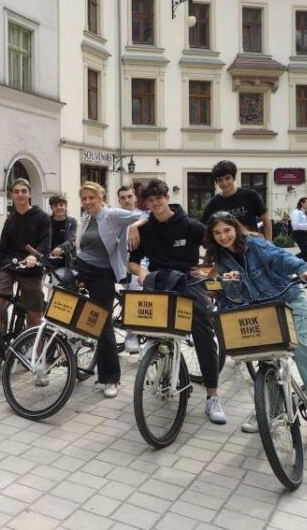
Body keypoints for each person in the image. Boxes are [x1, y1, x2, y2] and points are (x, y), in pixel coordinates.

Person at [205, 212, 307, 424]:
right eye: (217, 233)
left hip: (289, 301)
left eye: (227, 230)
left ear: (236, 229)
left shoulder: (254, 245)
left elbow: (280, 257)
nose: (223, 237)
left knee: (297, 344)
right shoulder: (222, 259)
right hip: (262, 311)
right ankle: (275, 413)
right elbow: (233, 297)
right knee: (267, 358)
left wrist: (304, 269)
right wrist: (223, 287)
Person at [128, 179, 226, 424]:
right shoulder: (145, 229)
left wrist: (206, 273)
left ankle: (212, 396)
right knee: (150, 329)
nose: (155, 203)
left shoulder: (191, 226)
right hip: (159, 282)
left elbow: (219, 249)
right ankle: (159, 365)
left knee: (203, 335)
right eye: (150, 201)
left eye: (159, 198)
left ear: (167, 197)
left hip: (188, 284)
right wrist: (141, 272)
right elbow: (132, 262)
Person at [76, 182, 146, 398]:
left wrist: (134, 226)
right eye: (84, 198)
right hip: (82, 268)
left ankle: (110, 378)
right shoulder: (87, 218)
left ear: (101, 197)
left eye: (91, 198)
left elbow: (146, 215)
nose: (87, 202)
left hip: (102, 274)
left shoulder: (112, 214)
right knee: (65, 309)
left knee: (103, 324)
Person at [0, 178, 51, 335]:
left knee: (35, 317)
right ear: (12, 195)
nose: (20, 195)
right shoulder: (10, 219)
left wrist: (34, 257)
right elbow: (3, 249)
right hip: (10, 267)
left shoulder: (42, 217)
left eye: (23, 191)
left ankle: (34, 348)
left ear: (29, 194)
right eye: (16, 192)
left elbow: (45, 244)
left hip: (31, 269)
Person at [201, 160, 272, 241]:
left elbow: (266, 220)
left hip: (252, 244)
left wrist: (269, 245)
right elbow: (203, 227)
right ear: (216, 182)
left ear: (234, 178)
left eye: (227, 178)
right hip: (227, 246)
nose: (224, 183)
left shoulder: (250, 195)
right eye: (220, 180)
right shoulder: (214, 203)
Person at [117, 185, 147, 354]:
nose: (127, 200)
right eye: (123, 198)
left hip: (139, 262)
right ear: (119, 201)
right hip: (119, 263)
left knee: (137, 294)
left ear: (135, 198)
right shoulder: (116, 217)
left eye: (129, 196)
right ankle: (130, 335)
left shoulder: (143, 216)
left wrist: (135, 225)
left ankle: (134, 333)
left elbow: (148, 216)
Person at [48, 194, 76, 267]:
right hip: (50, 259)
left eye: (61, 205)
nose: (59, 207)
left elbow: (71, 239)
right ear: (52, 208)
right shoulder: (47, 221)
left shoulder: (71, 222)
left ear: (66, 206)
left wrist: (61, 247)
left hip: (67, 260)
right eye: (55, 206)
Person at [291, 197, 307, 262]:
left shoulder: (304, 212)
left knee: (306, 252)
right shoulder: (296, 212)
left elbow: (303, 222)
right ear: (302, 203)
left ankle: (304, 265)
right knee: (305, 251)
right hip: (299, 234)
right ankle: (291, 260)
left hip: (305, 233)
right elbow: (295, 225)